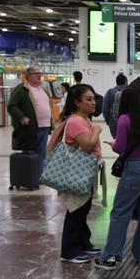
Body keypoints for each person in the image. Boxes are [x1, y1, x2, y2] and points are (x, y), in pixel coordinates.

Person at [94, 86, 140, 270]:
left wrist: (113, 144)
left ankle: (111, 256)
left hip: (134, 170)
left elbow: (120, 148)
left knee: (120, 212)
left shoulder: (125, 120)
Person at [48, 83, 102, 264]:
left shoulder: (84, 119)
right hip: (77, 172)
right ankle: (69, 250)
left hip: (86, 171)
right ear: (77, 102)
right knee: (76, 209)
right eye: (88, 99)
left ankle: (82, 241)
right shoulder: (75, 122)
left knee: (83, 208)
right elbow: (87, 144)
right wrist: (96, 130)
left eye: (93, 99)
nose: (93, 103)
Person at [8, 66, 55, 159]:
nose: (40, 75)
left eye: (40, 73)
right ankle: (32, 173)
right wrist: (21, 117)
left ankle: (39, 173)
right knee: (30, 155)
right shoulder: (22, 89)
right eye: (37, 74)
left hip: (45, 127)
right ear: (29, 76)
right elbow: (12, 106)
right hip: (31, 128)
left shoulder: (43, 88)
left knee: (42, 155)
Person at [103, 73, 129, 140]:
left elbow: (105, 109)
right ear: (126, 82)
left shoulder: (109, 92)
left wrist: (108, 121)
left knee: (117, 141)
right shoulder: (130, 92)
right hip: (128, 121)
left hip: (113, 122)